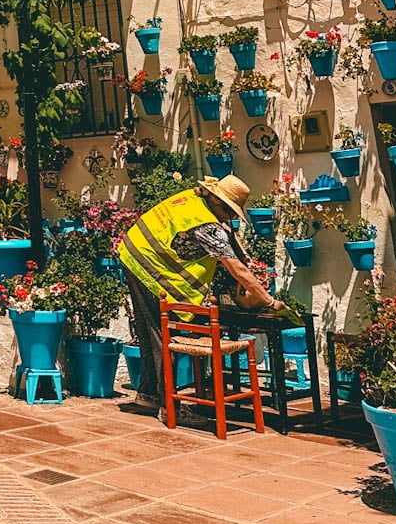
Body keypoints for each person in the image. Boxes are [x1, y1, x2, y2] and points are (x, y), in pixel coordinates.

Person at [117, 175, 283, 417]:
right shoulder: (209, 227)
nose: (232, 219)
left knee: (149, 328)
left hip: (134, 251)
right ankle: (168, 406)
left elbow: (226, 232)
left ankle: (148, 394)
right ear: (222, 206)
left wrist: (237, 245)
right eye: (232, 214)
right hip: (146, 263)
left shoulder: (196, 198)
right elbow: (237, 269)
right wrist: (268, 300)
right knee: (162, 335)